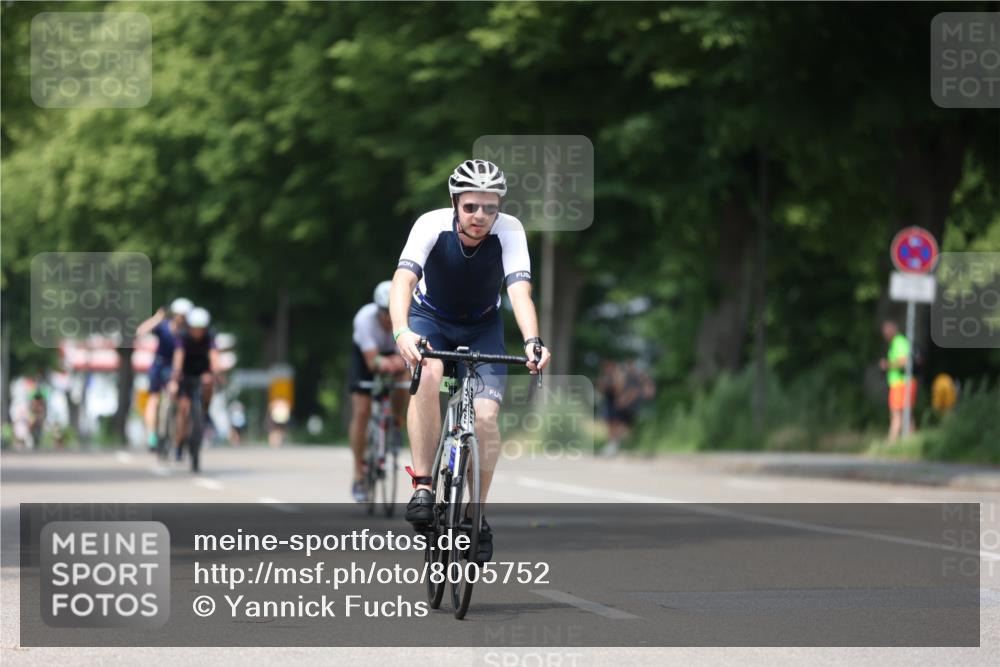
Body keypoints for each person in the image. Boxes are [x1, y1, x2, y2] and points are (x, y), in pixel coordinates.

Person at [391, 158, 551, 562]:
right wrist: (401, 330)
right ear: (455, 203)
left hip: (483, 326)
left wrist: (533, 340)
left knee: (484, 417)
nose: (481, 216)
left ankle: (475, 515)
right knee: (429, 373)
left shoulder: (510, 230)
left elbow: (519, 292)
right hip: (430, 320)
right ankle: (424, 485)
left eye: (490, 207)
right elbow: (403, 281)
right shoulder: (431, 224)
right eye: (471, 207)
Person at [348, 281, 409, 502]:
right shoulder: (364, 319)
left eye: (390, 311)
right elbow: (372, 361)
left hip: (394, 358)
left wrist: (399, 364)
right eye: (383, 311)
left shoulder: (407, 317)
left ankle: (397, 419)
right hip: (366, 358)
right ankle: (358, 473)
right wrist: (391, 362)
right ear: (377, 309)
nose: (387, 317)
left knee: (405, 379)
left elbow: (409, 360)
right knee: (362, 411)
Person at [136, 298, 192, 451]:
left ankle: (175, 429)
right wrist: (157, 318)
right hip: (160, 365)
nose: (182, 318)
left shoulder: (187, 333)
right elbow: (141, 331)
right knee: (153, 399)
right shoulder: (164, 327)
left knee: (177, 399)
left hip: (178, 368)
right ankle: (153, 435)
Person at [168, 307, 220, 469]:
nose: (198, 332)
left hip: (202, 373)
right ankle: (179, 442)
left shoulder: (209, 337)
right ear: (190, 327)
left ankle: (204, 409)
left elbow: (214, 356)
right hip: (185, 374)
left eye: (201, 329)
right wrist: (176, 376)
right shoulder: (183, 338)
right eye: (195, 329)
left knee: (209, 384)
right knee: (183, 408)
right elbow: (179, 356)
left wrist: (216, 371)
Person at [879, 320, 916, 442]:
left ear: (892, 330)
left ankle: (891, 442)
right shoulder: (896, 342)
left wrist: (887, 365)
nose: (885, 334)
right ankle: (911, 442)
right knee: (905, 414)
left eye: (886, 331)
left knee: (897, 414)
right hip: (900, 383)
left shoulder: (899, 342)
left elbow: (904, 361)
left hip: (902, 383)